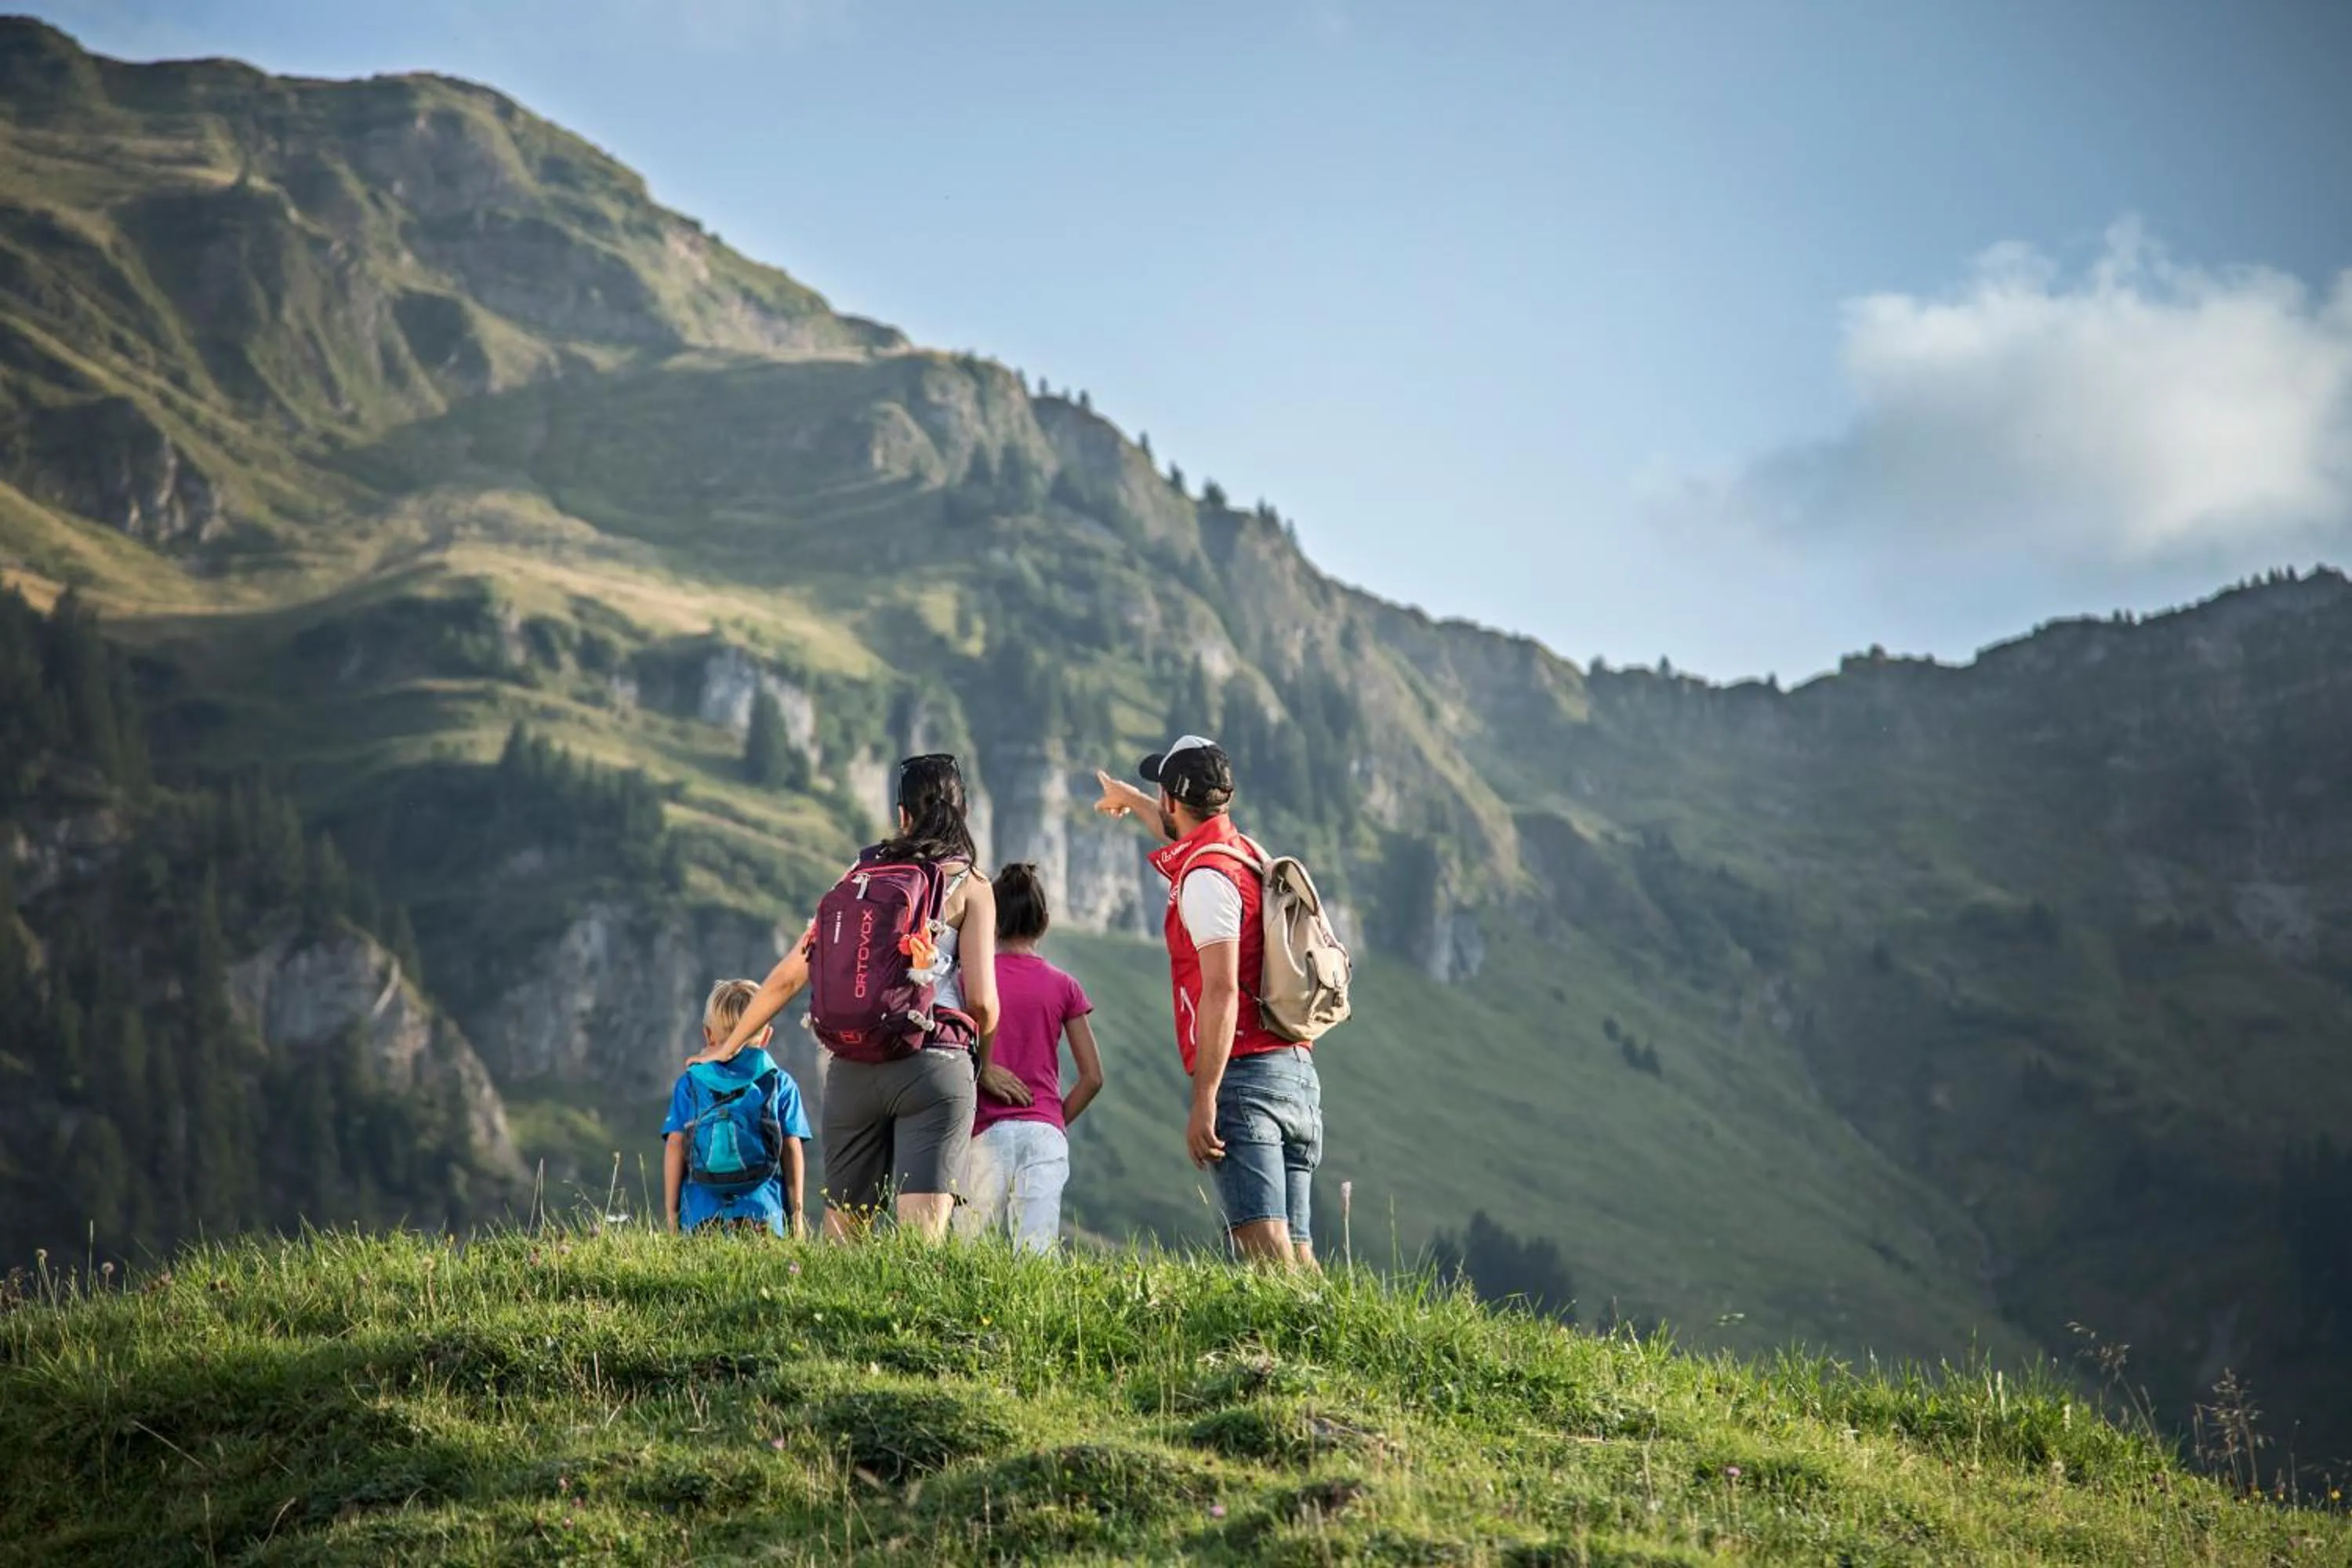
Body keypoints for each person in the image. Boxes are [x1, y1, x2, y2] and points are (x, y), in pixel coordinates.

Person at [691, 754, 998, 1243]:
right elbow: (982, 1002)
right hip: (934, 1063)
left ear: (902, 815)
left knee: (843, 1242)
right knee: (921, 1242)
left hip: (853, 1063)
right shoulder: (971, 884)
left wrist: (727, 1047)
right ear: (963, 811)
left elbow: (790, 977)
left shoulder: (859, 872)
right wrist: (986, 1056)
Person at [1092, 734, 1322, 1269]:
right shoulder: (1242, 856)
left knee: (1264, 1251)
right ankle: (1334, 1349)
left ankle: (1280, 1355)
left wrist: (1205, 1099)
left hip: (1246, 1077)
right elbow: (1180, 835)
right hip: (1296, 1072)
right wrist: (1129, 796)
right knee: (1300, 1253)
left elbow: (1220, 990)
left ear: (1174, 800)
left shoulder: (1205, 879)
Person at [953, 862, 1105, 1253]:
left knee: (968, 1245)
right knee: (1036, 1248)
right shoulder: (1064, 986)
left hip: (984, 1131)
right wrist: (1053, 1120)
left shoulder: (968, 980)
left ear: (991, 922)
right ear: (1045, 922)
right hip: (1044, 1133)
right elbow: (1092, 1078)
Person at [663, 978, 811, 1237]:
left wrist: (673, 1215)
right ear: (766, 1035)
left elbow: (675, 1145)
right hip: (764, 1212)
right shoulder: (779, 1082)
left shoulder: (690, 1082)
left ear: (708, 1034)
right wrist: (796, 1218)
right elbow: (791, 1148)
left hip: (701, 1214)